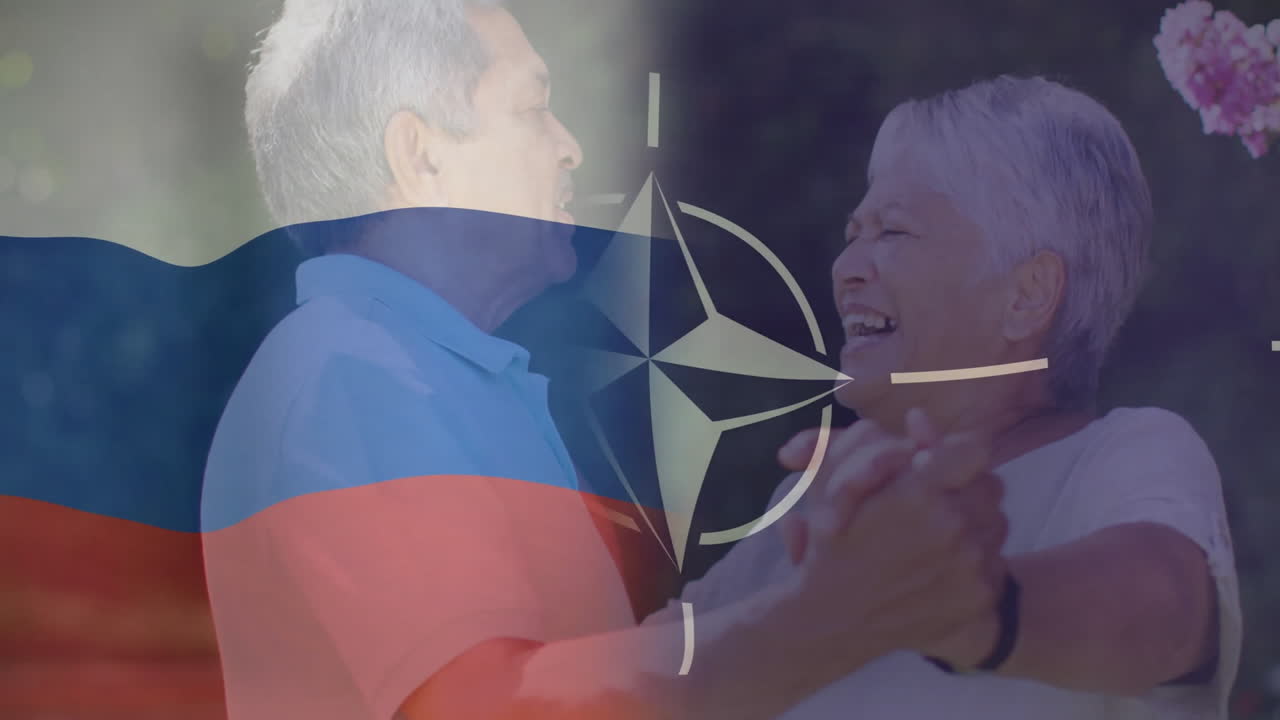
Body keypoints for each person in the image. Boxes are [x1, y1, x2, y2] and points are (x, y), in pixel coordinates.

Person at [199, 1, 1012, 719]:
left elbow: (580, 670)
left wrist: (801, 545)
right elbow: (496, 704)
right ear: (421, 154)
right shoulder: (354, 379)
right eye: (535, 107)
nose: (570, 148)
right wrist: (836, 614)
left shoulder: (407, 371)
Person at [650, 75, 1242, 719]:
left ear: (1027, 295)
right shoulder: (803, 511)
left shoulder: (1120, 454)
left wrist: (970, 608)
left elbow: (1163, 610)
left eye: (893, 232)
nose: (846, 266)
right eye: (856, 231)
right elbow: (609, 681)